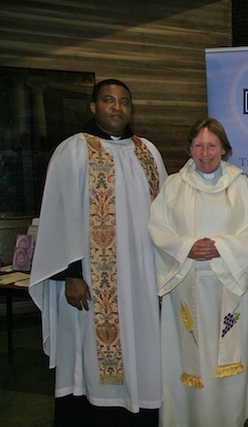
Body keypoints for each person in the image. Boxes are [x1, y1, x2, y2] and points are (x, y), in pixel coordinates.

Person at [29, 79, 168, 426]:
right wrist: (72, 274)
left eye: (124, 101)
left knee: (145, 348)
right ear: (93, 107)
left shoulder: (147, 151)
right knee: (89, 354)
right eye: (108, 100)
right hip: (92, 279)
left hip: (143, 276)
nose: (117, 107)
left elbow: (167, 213)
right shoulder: (74, 150)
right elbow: (61, 214)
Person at [148, 118, 248, 427]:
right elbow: (158, 229)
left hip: (230, 285)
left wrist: (221, 248)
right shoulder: (175, 185)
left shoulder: (239, 184)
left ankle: (230, 417)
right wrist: (187, 246)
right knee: (193, 358)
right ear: (190, 148)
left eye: (212, 145)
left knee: (226, 357)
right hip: (187, 285)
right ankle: (188, 418)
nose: (205, 153)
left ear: (224, 149)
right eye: (199, 145)